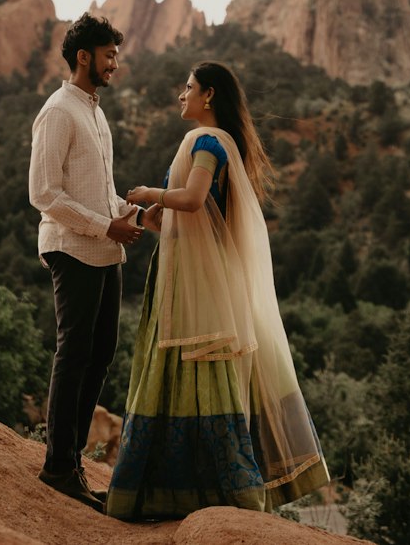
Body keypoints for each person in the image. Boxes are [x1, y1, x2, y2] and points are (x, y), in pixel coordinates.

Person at [106, 60, 330, 520]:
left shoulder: (206, 142)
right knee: (198, 371)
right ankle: (202, 494)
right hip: (197, 277)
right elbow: (188, 214)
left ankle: (218, 497)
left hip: (198, 283)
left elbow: (190, 199)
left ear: (209, 95)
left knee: (200, 371)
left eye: (188, 88)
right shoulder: (216, 142)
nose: (180, 95)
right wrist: (150, 217)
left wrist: (151, 191)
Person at [28, 12, 145, 514]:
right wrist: (105, 225)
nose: (115, 63)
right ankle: (58, 467)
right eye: (109, 55)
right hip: (71, 248)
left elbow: (96, 191)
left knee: (100, 353)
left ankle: (71, 461)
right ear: (84, 57)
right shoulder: (58, 111)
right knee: (74, 352)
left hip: (103, 249)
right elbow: (44, 193)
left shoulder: (95, 113)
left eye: (115, 55)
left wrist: (129, 212)